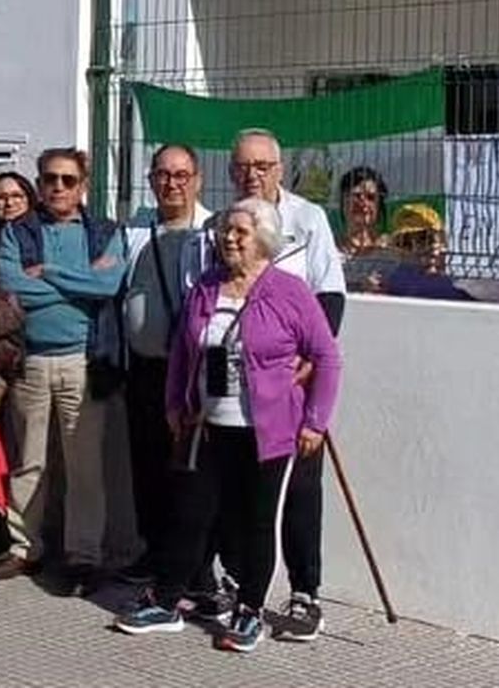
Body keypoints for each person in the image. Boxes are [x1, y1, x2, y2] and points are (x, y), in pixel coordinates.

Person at [116, 198, 342, 654]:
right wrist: (176, 403)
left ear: (264, 239)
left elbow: (327, 357)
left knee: (259, 522)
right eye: (225, 230)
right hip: (209, 425)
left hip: (268, 431)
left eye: (240, 231)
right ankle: (166, 599)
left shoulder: (289, 291)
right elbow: (184, 351)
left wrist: (316, 422)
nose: (229, 238)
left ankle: (250, 610)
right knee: (190, 514)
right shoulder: (206, 287)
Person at [0, 148, 126, 593]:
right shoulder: (19, 233)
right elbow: (12, 287)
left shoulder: (104, 232)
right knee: (28, 461)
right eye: (49, 179)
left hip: (82, 362)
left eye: (67, 180)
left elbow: (109, 285)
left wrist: (49, 273)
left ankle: (84, 556)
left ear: (82, 185)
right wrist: (77, 283)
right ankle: (25, 547)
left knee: (84, 466)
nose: (57, 187)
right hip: (32, 360)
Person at [226, 128, 345, 641]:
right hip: (236, 391)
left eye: (263, 166)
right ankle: (238, 583)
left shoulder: (308, 219)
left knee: (300, 490)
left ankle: (304, 593)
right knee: (241, 492)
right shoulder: (224, 225)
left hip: (293, 381)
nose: (253, 175)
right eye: (244, 167)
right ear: (232, 172)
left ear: (279, 168)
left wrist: (310, 363)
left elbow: (330, 296)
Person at [119, 144, 210, 582]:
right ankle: (152, 552)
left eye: (181, 175)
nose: (171, 183)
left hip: (190, 371)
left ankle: (190, 566)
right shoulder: (135, 230)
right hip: (142, 368)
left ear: (197, 180)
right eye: (162, 174)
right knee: (146, 464)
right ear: (151, 179)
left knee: (189, 470)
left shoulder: (211, 233)